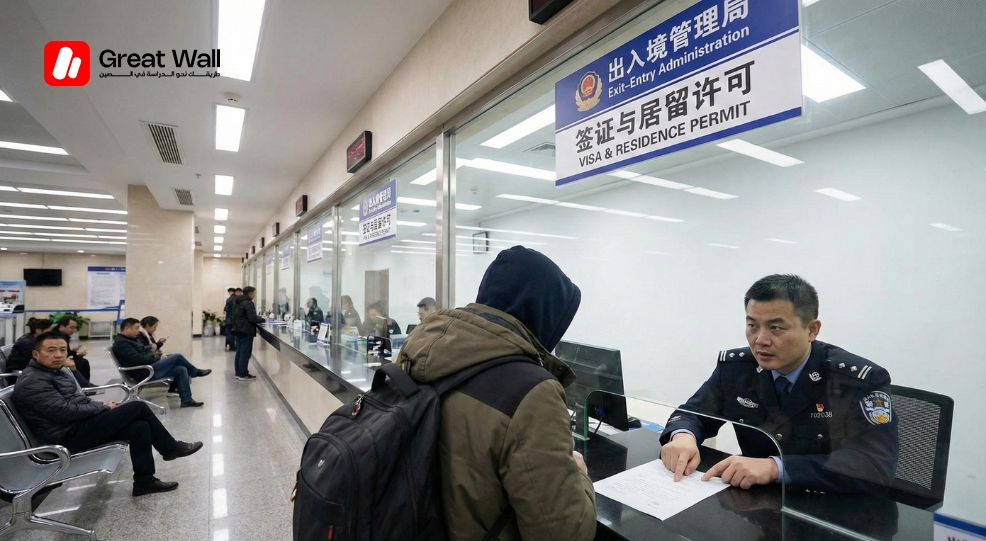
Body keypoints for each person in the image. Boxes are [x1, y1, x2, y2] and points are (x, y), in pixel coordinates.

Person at [399, 246, 596, 540]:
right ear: (544, 313)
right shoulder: (533, 392)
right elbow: (565, 533)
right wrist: (578, 473)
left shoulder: (416, 350)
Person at [660, 274, 898, 495]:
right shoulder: (737, 368)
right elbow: (693, 413)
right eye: (752, 326)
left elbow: (874, 466)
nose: (760, 340)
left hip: (830, 507)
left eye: (776, 328)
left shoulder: (856, 380)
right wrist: (683, 436)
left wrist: (776, 467)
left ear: (812, 330)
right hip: (756, 503)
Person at [12, 331, 203, 496]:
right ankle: (170, 448)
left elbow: (79, 401)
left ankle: (144, 482)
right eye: (51, 350)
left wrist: (102, 405)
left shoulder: (56, 371)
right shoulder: (33, 381)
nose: (58, 355)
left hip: (75, 426)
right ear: (36, 354)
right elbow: (63, 412)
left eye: (63, 350)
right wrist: (103, 408)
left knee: (140, 427)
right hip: (65, 436)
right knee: (137, 407)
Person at [112, 318, 211, 408]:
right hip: (143, 372)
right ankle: (194, 372)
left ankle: (187, 400)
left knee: (181, 369)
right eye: (136, 328)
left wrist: (153, 350)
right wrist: (157, 357)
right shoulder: (122, 343)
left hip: (147, 367)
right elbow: (139, 359)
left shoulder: (130, 339)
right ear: (127, 329)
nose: (138, 331)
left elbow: (143, 350)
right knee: (177, 357)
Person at [232, 286, 265, 381]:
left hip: (238, 329)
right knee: (245, 353)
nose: (254, 295)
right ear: (250, 293)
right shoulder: (248, 303)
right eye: (254, 293)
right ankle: (243, 374)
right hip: (246, 330)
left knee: (239, 352)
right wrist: (263, 319)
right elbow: (252, 318)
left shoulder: (237, 301)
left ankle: (238, 373)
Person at [54, 316, 91, 386]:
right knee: (81, 363)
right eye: (72, 328)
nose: (74, 330)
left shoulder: (64, 335)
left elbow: (66, 351)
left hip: (64, 358)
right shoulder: (56, 337)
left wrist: (75, 353)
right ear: (62, 327)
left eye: (75, 328)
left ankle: (85, 383)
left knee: (83, 361)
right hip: (59, 360)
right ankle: (84, 385)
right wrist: (76, 354)